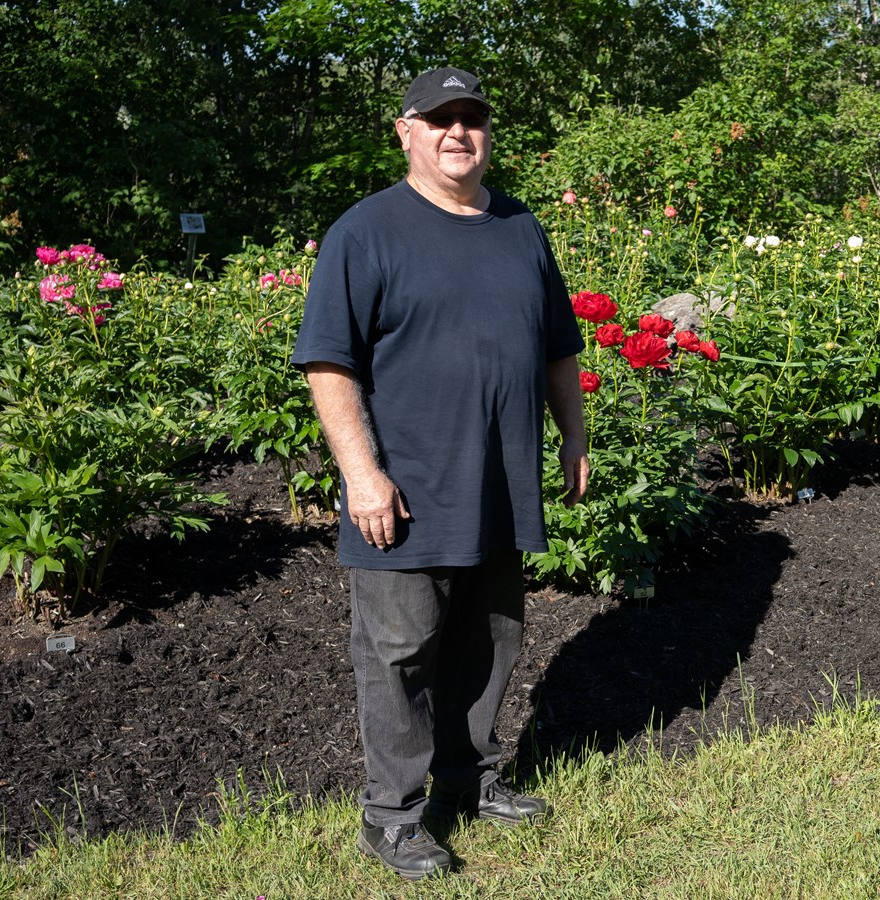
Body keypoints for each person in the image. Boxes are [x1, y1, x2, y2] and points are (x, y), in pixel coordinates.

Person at [291, 66, 589, 880]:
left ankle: (472, 778)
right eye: (439, 119)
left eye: (472, 119)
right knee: (399, 650)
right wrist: (362, 474)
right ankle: (391, 817)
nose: (459, 132)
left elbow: (559, 345)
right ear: (406, 132)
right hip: (409, 489)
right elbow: (328, 362)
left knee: (490, 638)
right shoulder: (368, 230)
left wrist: (573, 436)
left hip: (501, 479)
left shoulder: (521, 227)